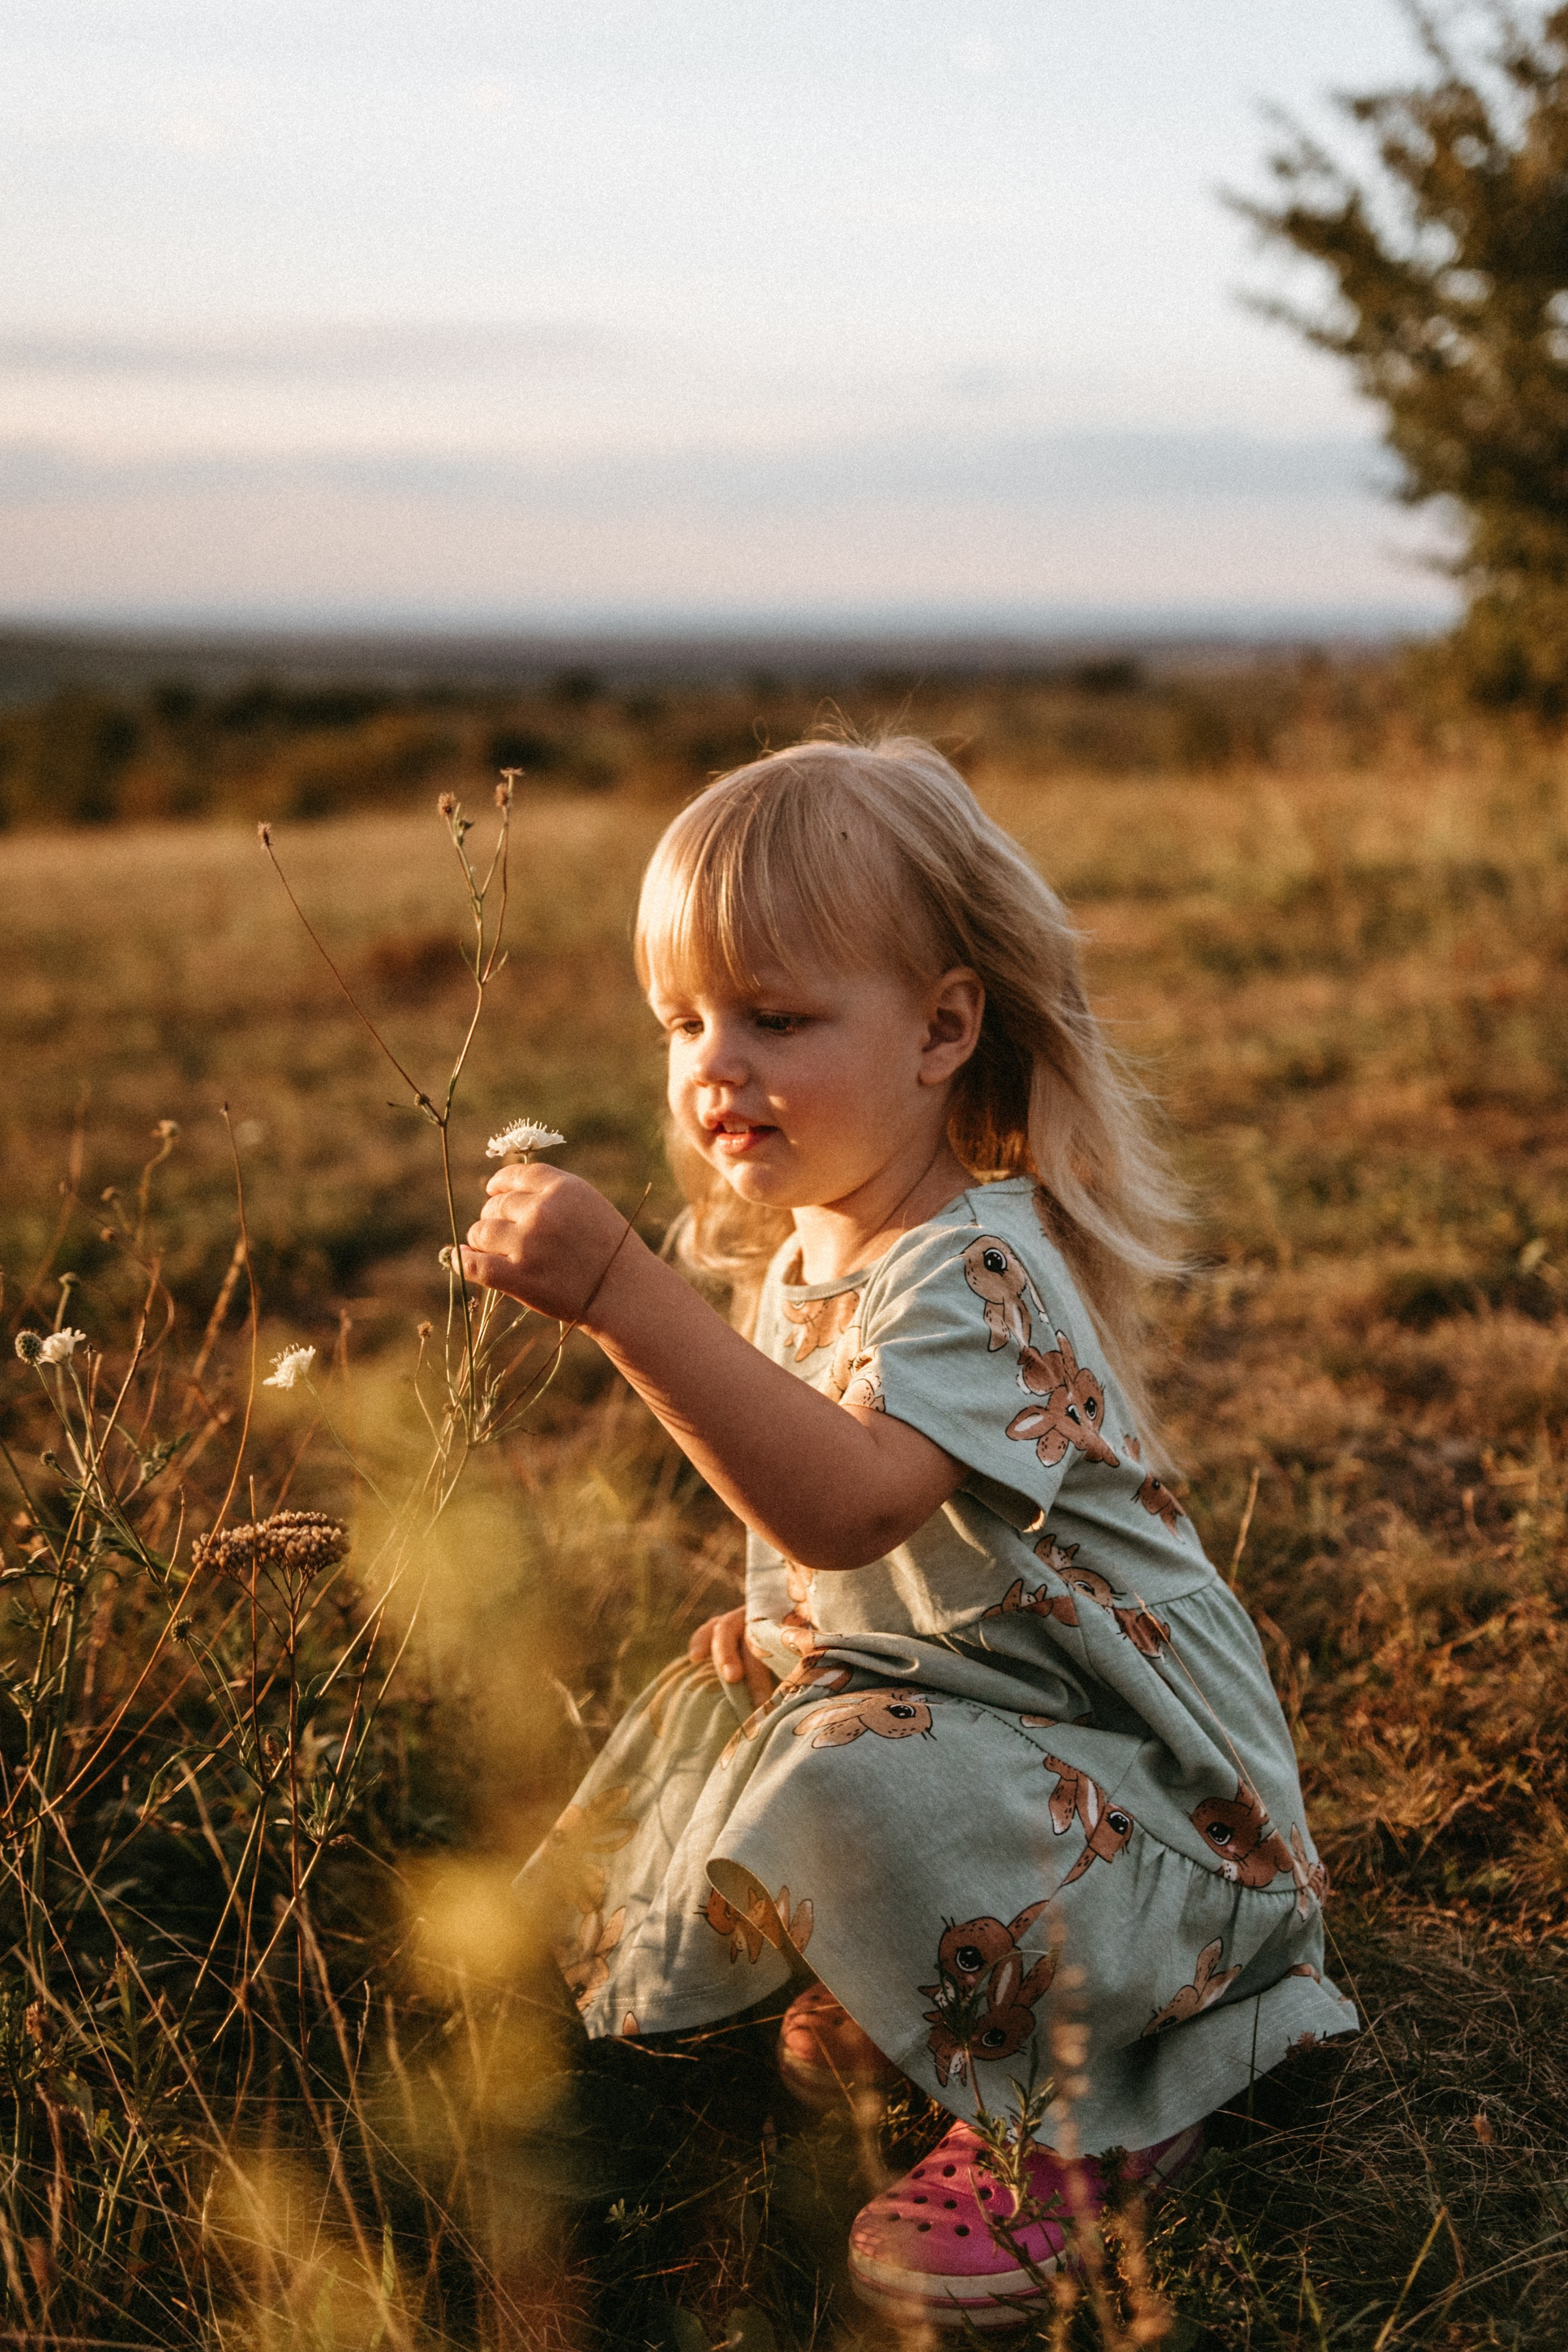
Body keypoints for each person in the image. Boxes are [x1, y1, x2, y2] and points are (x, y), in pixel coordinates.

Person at [460, 736, 1357, 2330]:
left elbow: (850, 1500)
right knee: (718, 1712)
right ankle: (745, 2013)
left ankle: (1075, 2114)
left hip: (1178, 1836)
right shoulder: (808, 1253)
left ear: (945, 1027)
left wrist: (620, 1298)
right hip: (1014, 1757)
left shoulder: (974, 1268)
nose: (715, 1064)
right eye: (686, 1020)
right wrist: (786, 1632)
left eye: (777, 1017)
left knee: (848, 1757)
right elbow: (852, 1566)